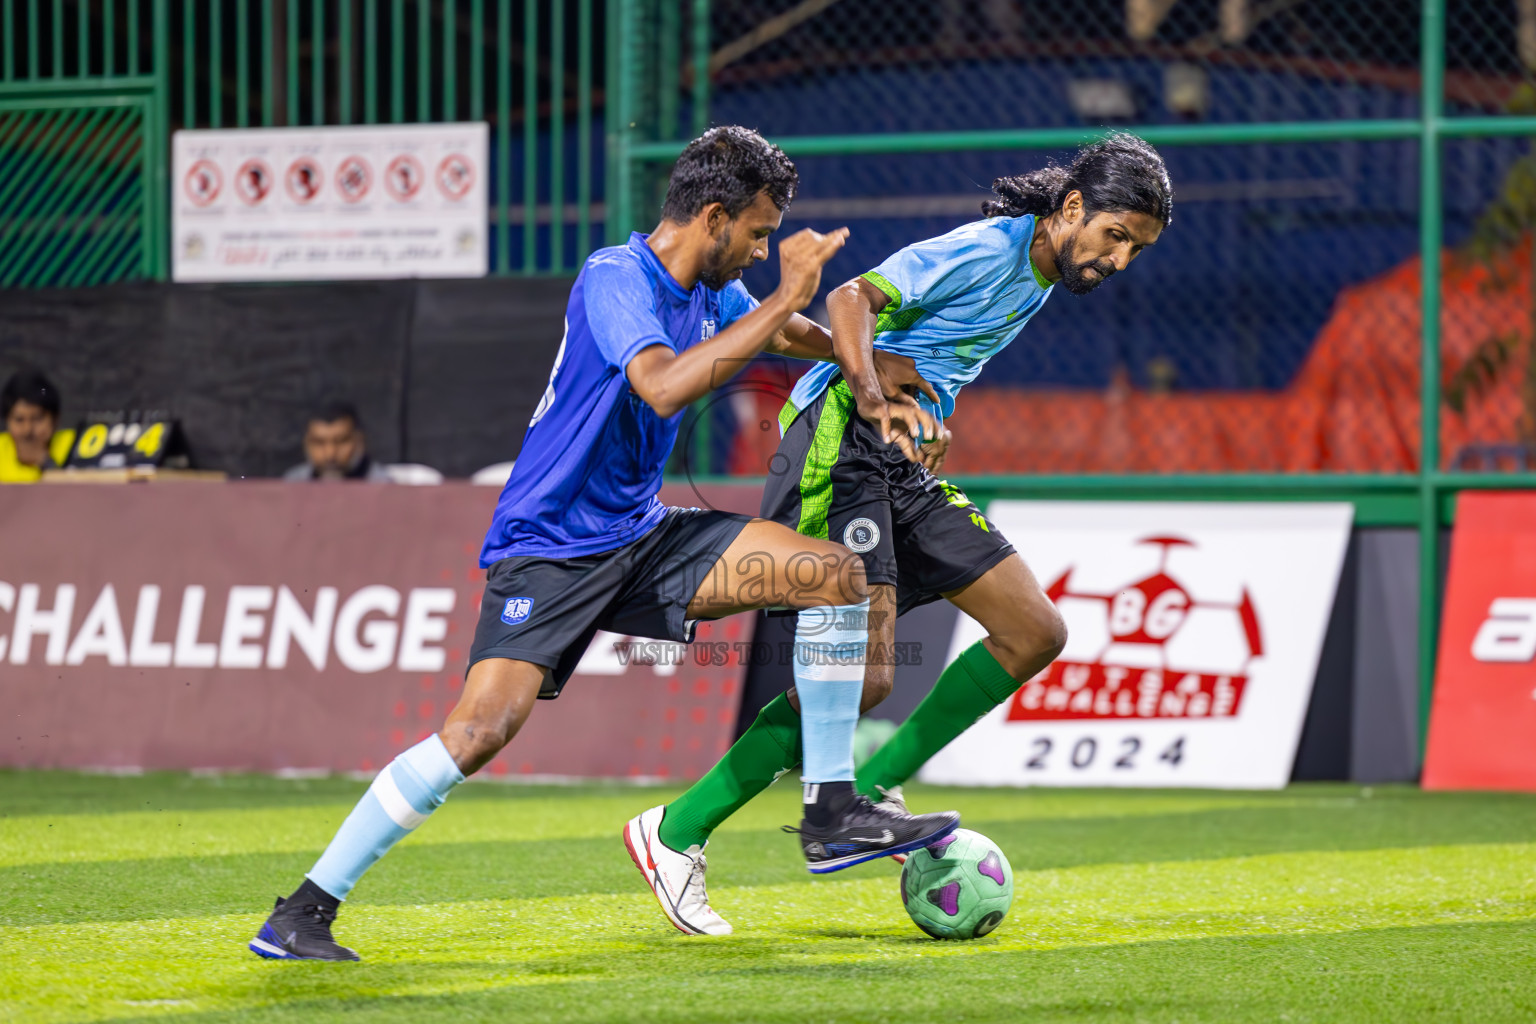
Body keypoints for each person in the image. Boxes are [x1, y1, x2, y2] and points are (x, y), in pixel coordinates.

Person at [248, 125, 958, 960]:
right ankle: (303, 910)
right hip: (549, 547)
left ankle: (830, 806)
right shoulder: (615, 276)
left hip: (642, 536)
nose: (764, 254)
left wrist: (880, 367)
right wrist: (778, 302)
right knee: (479, 732)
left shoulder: (712, 292)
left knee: (833, 573)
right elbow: (660, 388)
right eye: (759, 234)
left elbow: (787, 333)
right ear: (714, 215)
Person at [645, 133, 1173, 930]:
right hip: (840, 439)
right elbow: (851, 298)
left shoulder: (1041, 270)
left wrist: (915, 412)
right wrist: (870, 394)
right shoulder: (988, 251)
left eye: (1135, 248)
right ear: (1071, 210)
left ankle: (873, 788)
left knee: (1033, 630)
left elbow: (918, 357)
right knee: (867, 681)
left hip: (897, 460)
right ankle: (677, 831)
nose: (1120, 259)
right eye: (1115, 236)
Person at [282, 400, 391, 481]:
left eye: (341, 441)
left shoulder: (382, 486)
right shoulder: (293, 484)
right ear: (306, 443)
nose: (330, 454)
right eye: (319, 442)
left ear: (359, 441)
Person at [0, 370, 75, 483]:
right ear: (7, 421)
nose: (27, 430)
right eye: (19, 420)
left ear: (55, 419)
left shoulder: (75, 446)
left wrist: (46, 463)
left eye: (37, 419)